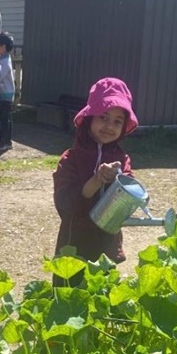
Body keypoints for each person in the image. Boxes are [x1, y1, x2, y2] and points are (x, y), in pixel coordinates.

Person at [52, 77, 139, 286]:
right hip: (73, 245)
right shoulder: (71, 158)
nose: (109, 126)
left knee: (100, 304)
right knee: (67, 301)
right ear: (89, 118)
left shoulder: (123, 160)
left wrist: (126, 189)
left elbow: (126, 202)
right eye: (103, 117)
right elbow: (65, 203)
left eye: (117, 121)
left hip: (106, 246)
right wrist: (96, 180)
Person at [0, 32, 15, 153]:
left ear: (3, 46)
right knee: (6, 117)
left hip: (5, 93)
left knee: (4, 118)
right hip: (5, 92)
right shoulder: (2, 58)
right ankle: (7, 141)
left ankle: (2, 141)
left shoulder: (5, 62)